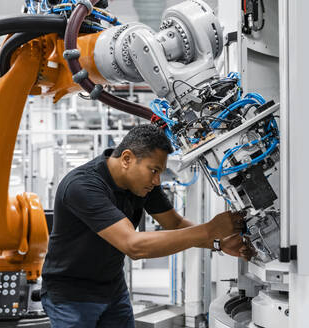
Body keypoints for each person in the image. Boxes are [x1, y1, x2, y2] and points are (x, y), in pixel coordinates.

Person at [40, 124, 254, 327]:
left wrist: (218, 242)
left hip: (112, 288)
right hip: (72, 296)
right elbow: (134, 245)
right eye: (154, 170)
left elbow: (175, 223)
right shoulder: (83, 186)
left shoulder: (142, 185)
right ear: (126, 159)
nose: (157, 181)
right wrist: (210, 229)